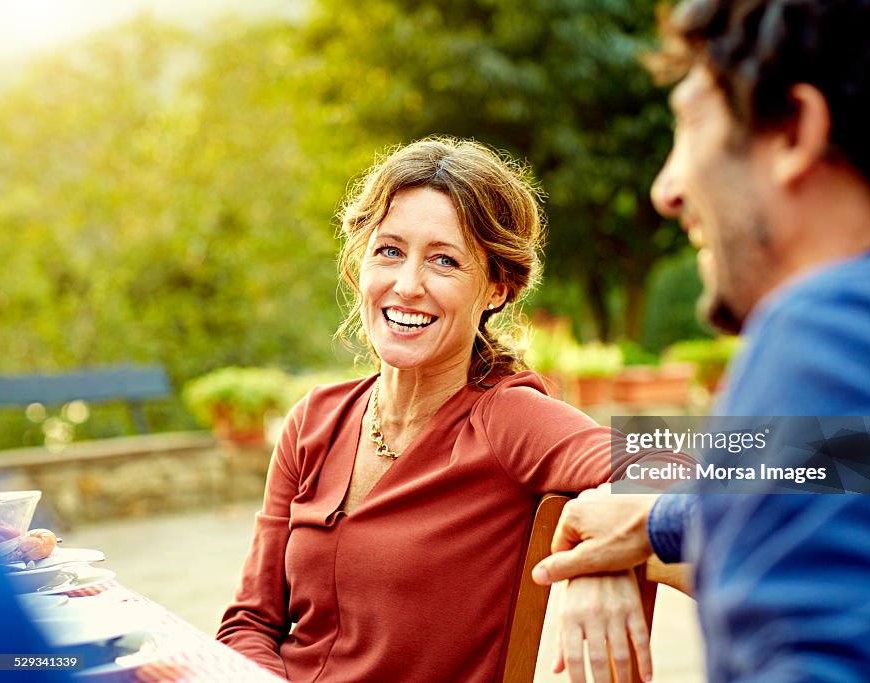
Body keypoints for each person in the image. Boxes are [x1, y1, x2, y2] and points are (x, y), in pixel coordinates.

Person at [535, 1, 870, 682]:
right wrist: (661, 519)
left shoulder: (827, 334)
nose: (666, 190)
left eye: (690, 124)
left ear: (795, 130)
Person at [216, 137, 621, 682]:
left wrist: (612, 546)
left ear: (497, 288)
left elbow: (744, 464)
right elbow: (249, 624)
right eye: (389, 251)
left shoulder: (510, 420)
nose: (407, 286)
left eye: (444, 260)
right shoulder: (313, 421)